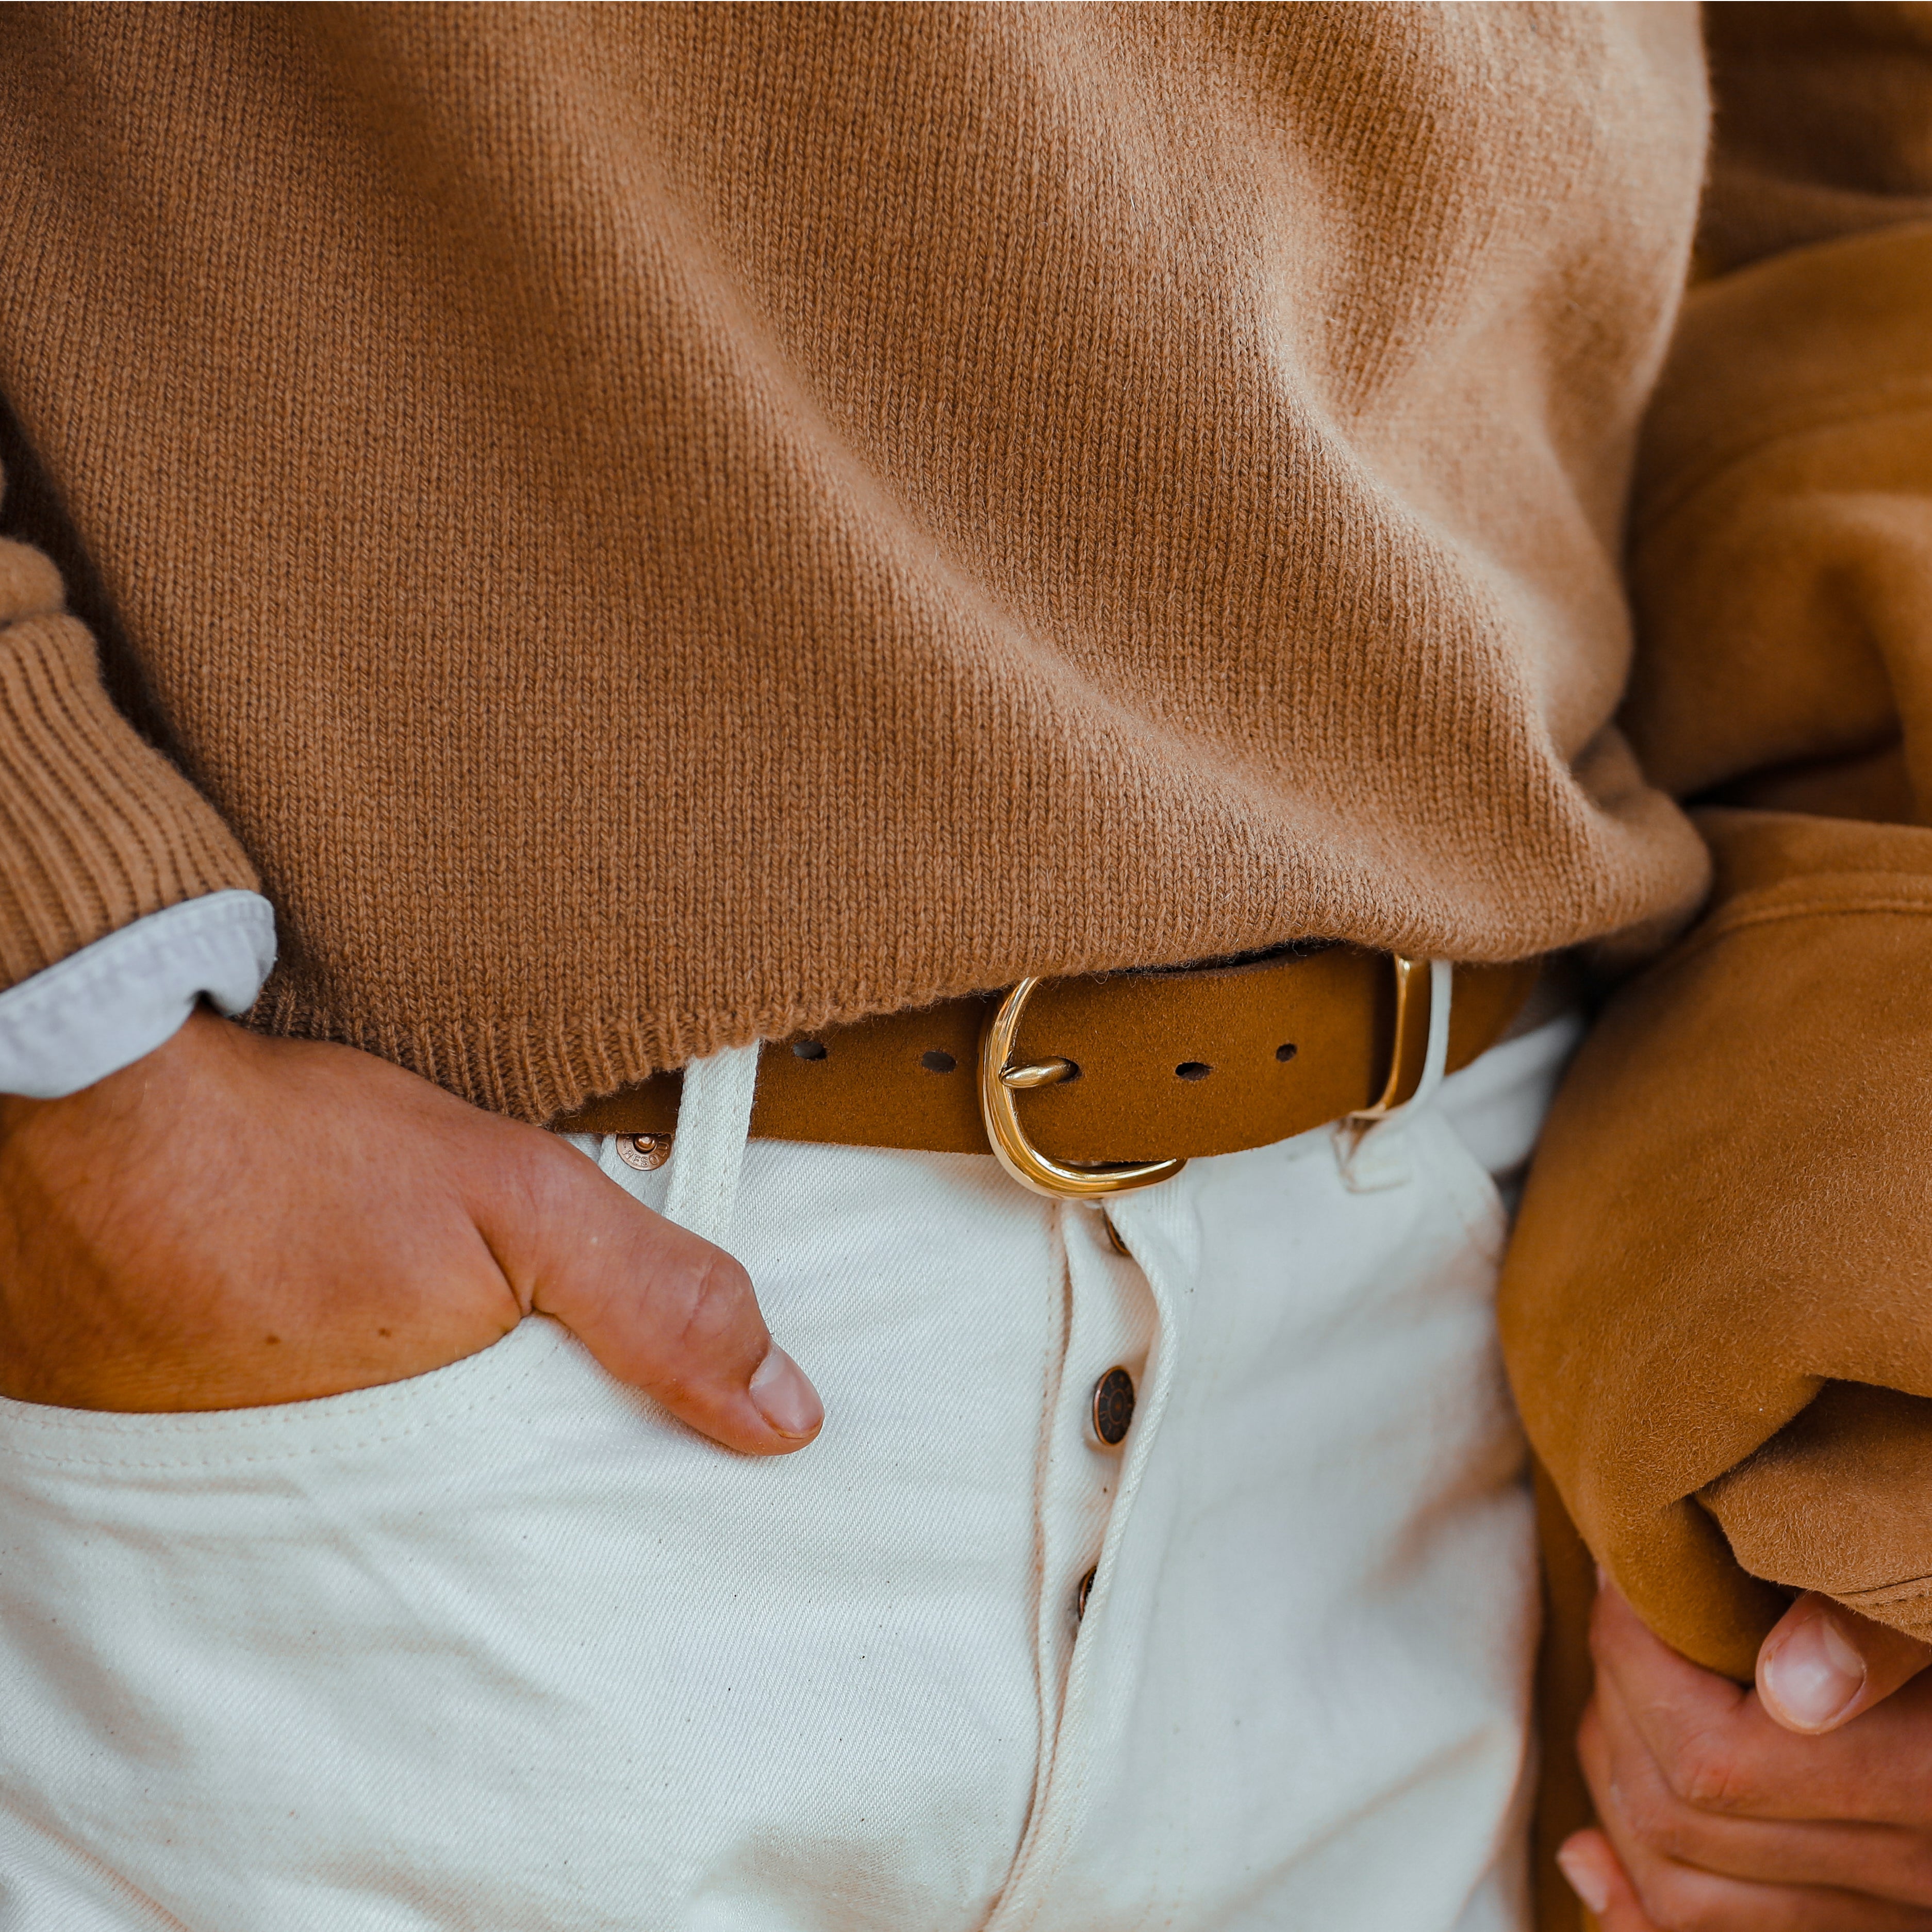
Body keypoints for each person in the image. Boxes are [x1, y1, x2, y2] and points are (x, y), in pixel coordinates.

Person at [0, 5, 1927, 1928]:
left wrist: (1854, 1366)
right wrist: (71, 1037)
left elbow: (1843, 158)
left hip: (1447, 1356)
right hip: (446, 1364)